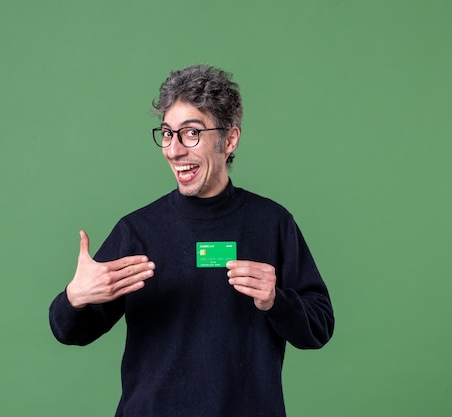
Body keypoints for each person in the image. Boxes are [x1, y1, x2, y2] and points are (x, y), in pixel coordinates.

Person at [49, 64, 334, 417]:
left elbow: (319, 327)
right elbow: (70, 330)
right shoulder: (138, 231)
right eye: (167, 134)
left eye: (191, 133)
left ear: (229, 139)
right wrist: (75, 297)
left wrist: (277, 300)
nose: (174, 150)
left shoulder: (273, 223)